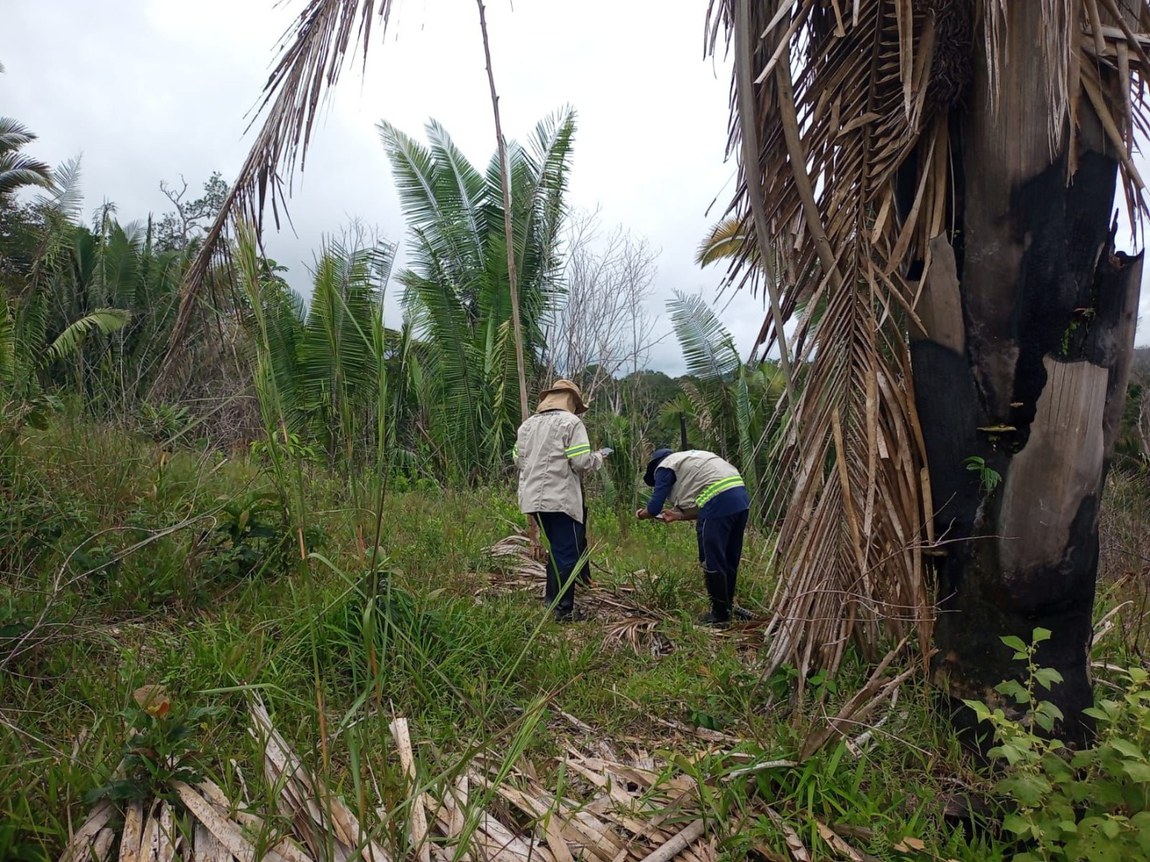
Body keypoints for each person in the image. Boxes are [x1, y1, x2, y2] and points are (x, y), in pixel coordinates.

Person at [515, 379, 608, 621]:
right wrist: (598, 457)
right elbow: (580, 461)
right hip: (560, 498)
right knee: (566, 553)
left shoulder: (527, 426)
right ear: (572, 401)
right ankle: (560, 610)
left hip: (533, 499)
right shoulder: (571, 422)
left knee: (560, 549)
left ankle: (555, 602)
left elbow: (518, 460)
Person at [636, 448, 751, 627]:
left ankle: (719, 615)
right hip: (740, 500)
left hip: (717, 503)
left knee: (711, 559)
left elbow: (654, 507)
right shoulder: (692, 459)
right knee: (729, 558)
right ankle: (726, 607)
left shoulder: (665, 467)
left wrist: (641, 514)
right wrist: (678, 516)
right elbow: (704, 501)